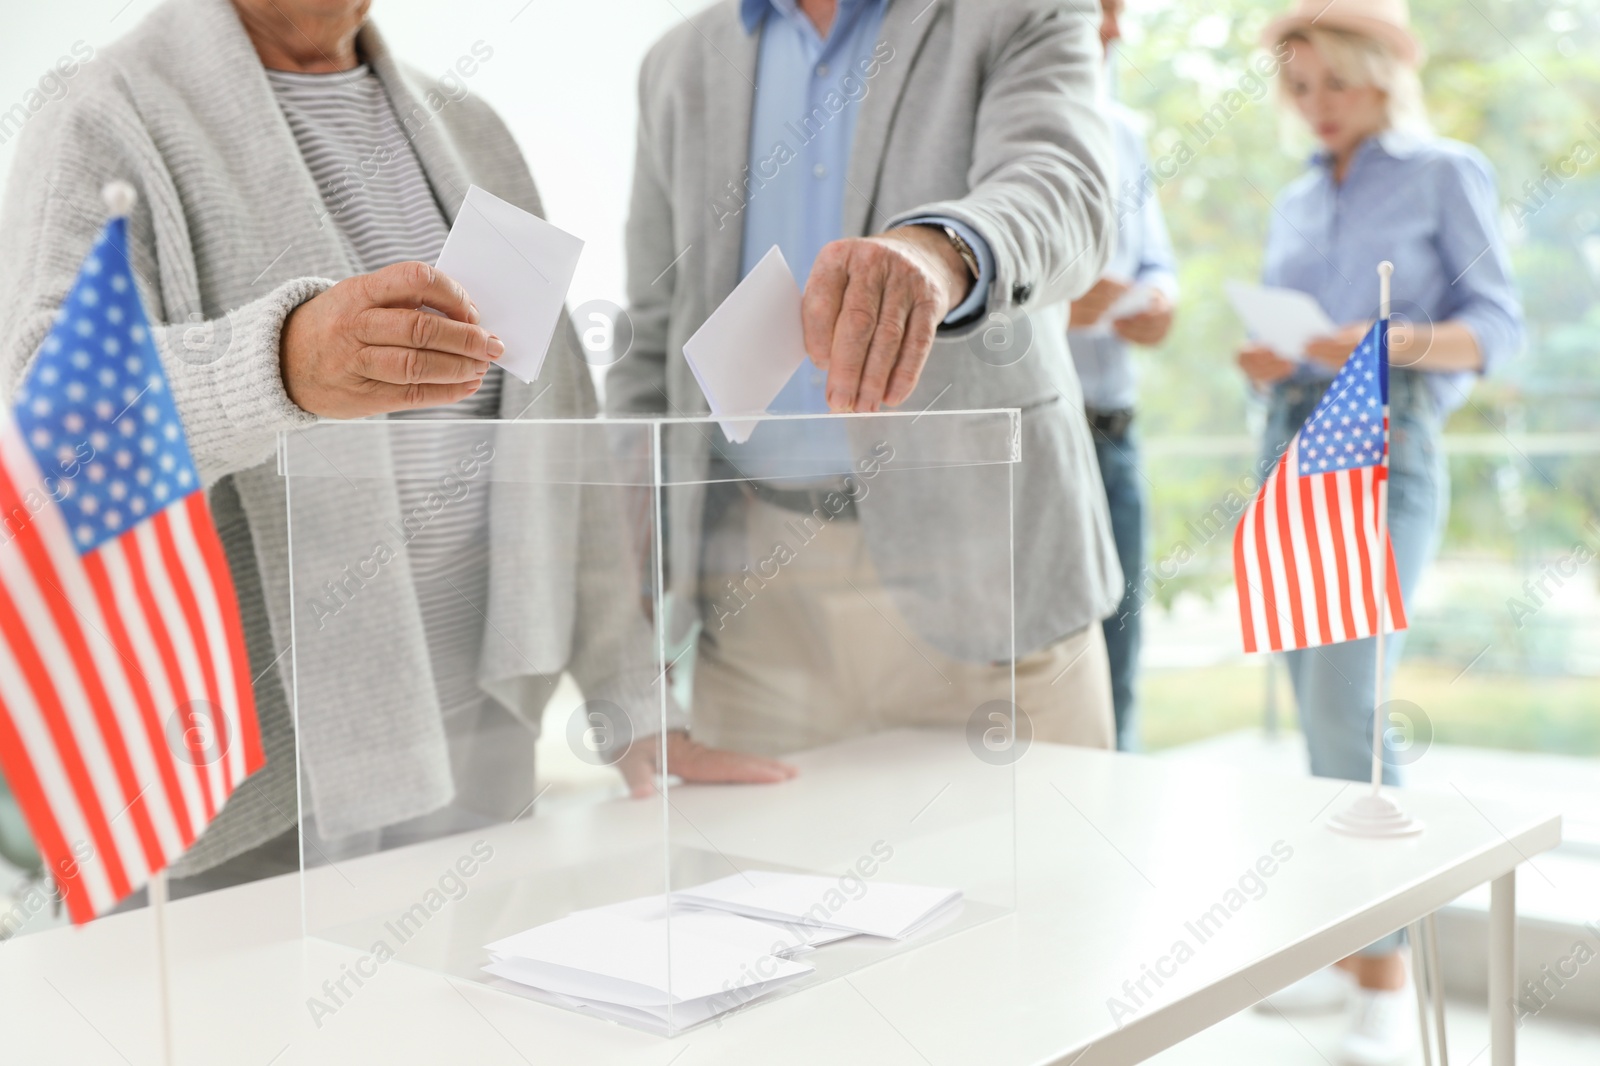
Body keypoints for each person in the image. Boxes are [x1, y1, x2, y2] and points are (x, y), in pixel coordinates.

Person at [0, 0, 791, 894]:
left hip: (481, 745)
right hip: (252, 780)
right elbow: (51, 429)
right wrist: (280, 365)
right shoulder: (100, 113)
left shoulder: (471, 129)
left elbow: (557, 433)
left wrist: (633, 702)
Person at [606, 0, 1122, 756]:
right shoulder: (679, 62)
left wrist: (944, 251)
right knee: (751, 873)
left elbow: (1064, 188)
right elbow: (651, 332)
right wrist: (629, 608)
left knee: (1035, 872)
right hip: (751, 605)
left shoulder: (1018, 11)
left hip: (989, 586)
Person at [1238, 2, 1522, 1062]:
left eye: (1335, 85)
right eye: (1298, 87)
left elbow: (1495, 324)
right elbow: (1298, 331)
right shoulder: (1297, 195)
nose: (1316, 107)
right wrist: (1276, 355)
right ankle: (1346, 943)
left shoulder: (1444, 170)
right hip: (1292, 445)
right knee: (1316, 711)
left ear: (1380, 76)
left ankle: (1387, 981)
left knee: (1353, 708)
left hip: (1387, 448)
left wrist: (1388, 337)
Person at [1068, 0, 1179, 752]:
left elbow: (1157, 260)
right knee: (1041, 675)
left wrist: (1162, 302)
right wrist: (1047, 308)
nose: (1116, 31)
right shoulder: (983, 124)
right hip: (1036, 440)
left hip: (1113, 437)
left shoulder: (1125, 135)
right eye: (1097, 10)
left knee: (1118, 665)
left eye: (1119, 12)